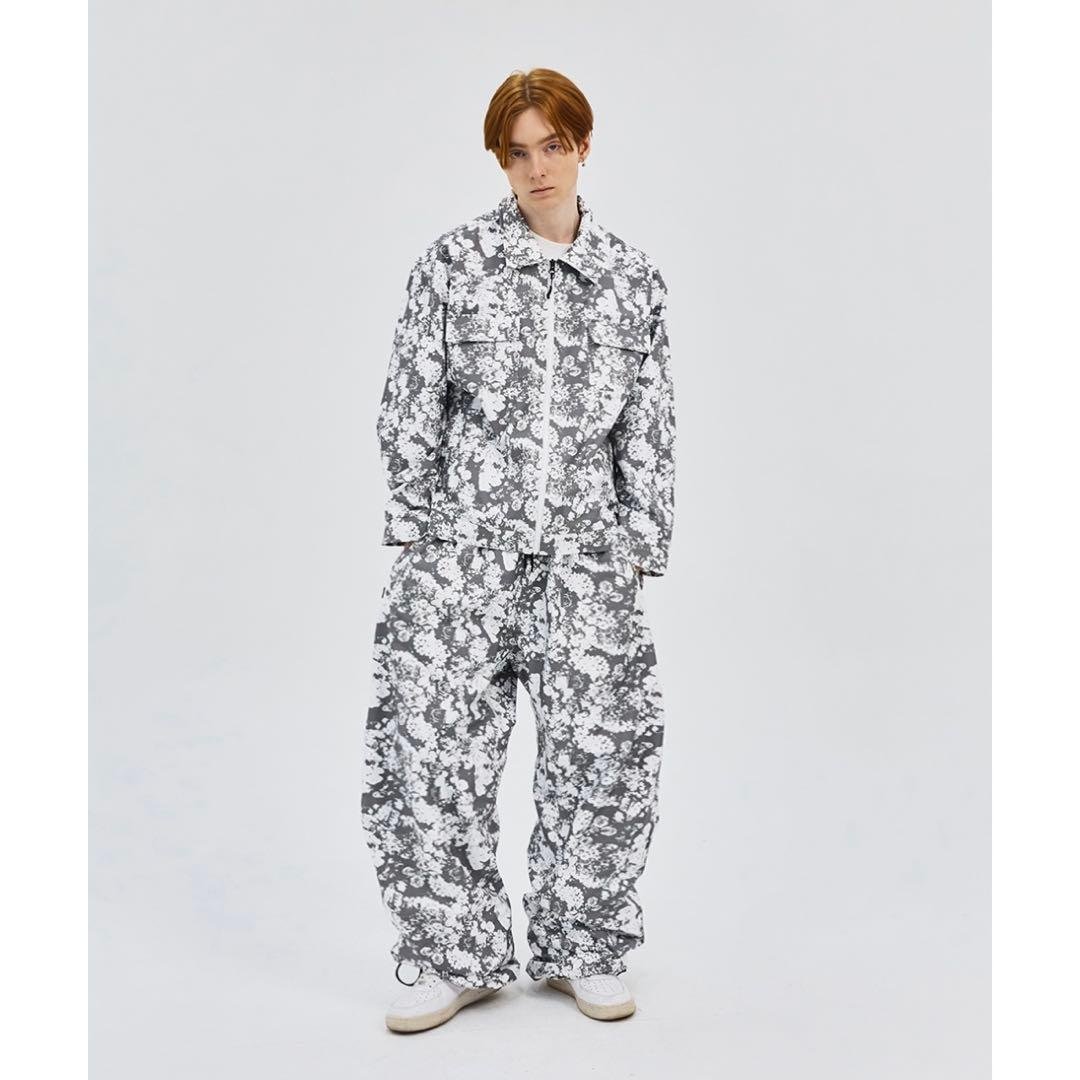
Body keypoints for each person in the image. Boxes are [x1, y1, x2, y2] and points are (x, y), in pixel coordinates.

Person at [360, 67, 676, 1033]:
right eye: (518, 152)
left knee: (603, 757)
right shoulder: (453, 265)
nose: (538, 168)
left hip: (586, 560)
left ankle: (585, 948)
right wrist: (420, 531)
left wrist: (638, 543)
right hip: (461, 557)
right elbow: (411, 402)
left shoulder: (630, 280)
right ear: (500, 160)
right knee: (432, 753)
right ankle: (453, 954)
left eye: (554, 146)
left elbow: (649, 425)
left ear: (583, 146)